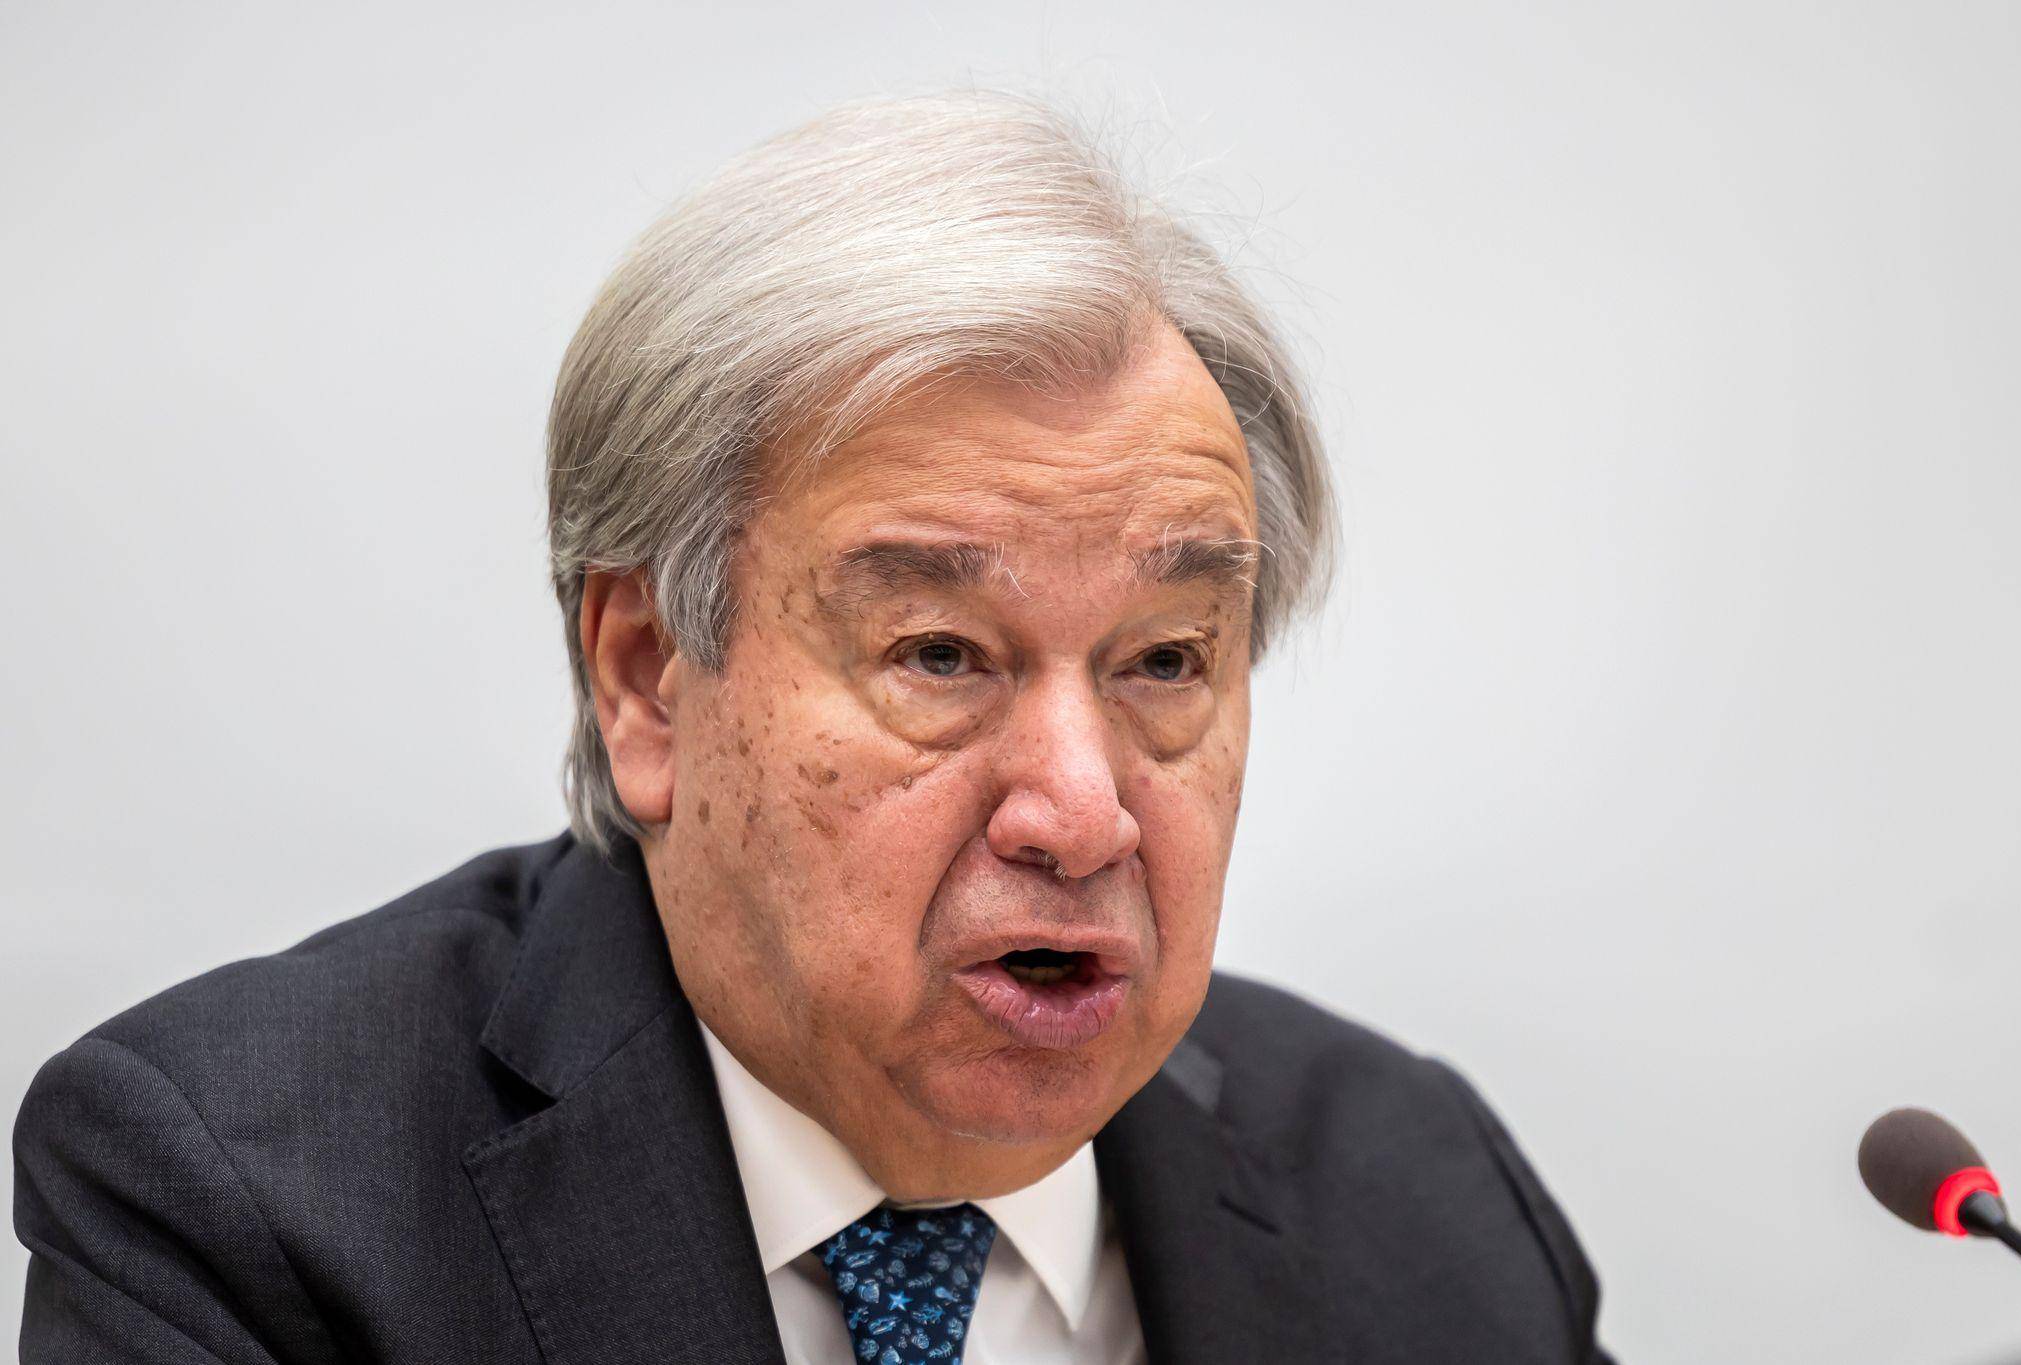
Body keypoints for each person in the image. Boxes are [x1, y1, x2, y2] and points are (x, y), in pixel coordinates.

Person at [13, 92, 1612, 1363]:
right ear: (647, 678)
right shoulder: (250, 1208)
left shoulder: (1429, 1211)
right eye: (941, 653)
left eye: (1165, 660)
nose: (1082, 812)